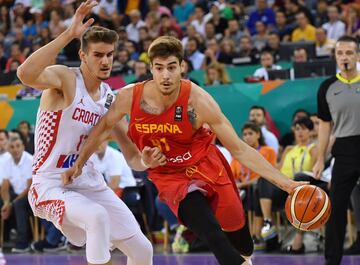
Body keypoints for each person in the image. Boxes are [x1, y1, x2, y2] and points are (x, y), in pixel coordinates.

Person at [64, 35, 306, 265]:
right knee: (212, 234)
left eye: (171, 67)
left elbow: (240, 150)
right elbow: (103, 126)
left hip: (206, 165)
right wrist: (79, 163)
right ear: (151, 69)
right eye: (159, 68)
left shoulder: (198, 101)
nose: (166, 75)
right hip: (170, 175)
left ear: (182, 67)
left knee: (241, 241)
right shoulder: (130, 97)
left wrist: (287, 184)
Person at [17, 2, 164, 265]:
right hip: (50, 183)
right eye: (98, 54)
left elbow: (131, 154)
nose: (106, 60)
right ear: (83, 55)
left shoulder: (110, 98)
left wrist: (146, 162)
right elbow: (25, 73)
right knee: (96, 217)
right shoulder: (65, 79)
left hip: (89, 182)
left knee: (143, 250)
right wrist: (67, 35)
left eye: (110, 54)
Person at [313, 35, 360, 265]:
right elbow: (324, 126)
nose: (345, 57)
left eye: (349, 53)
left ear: (357, 56)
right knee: (337, 205)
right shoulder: (327, 87)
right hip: (344, 148)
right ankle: (332, 260)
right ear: (335, 57)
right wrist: (321, 158)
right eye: (340, 53)